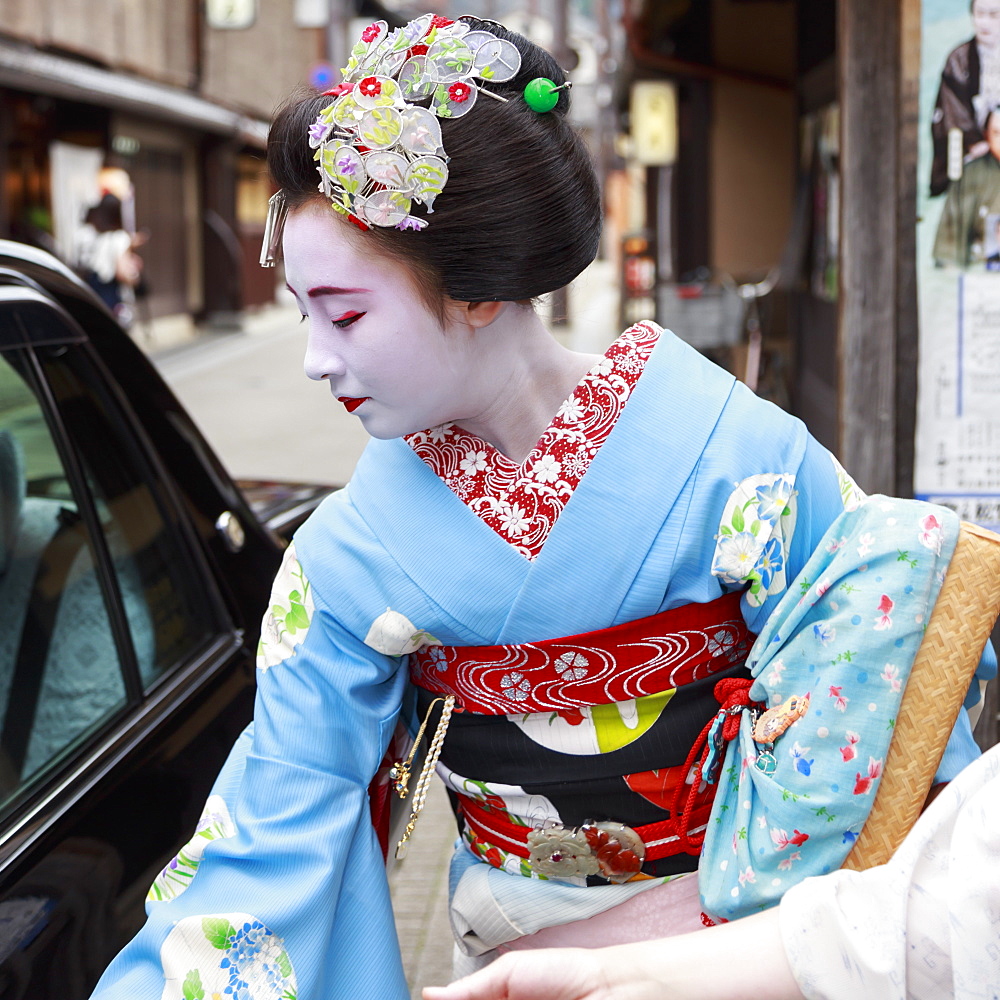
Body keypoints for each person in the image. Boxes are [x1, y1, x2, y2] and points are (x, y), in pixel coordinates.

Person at [89, 15, 996, 1000]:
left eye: (346, 313)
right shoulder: (348, 556)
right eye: (305, 313)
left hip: (751, 944)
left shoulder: (742, 460)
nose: (316, 357)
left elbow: (890, 688)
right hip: (508, 949)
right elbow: (276, 820)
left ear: (482, 288)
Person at [423, 738, 1000, 1000]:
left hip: (730, 895)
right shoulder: (770, 490)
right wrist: (604, 980)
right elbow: (910, 925)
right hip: (535, 919)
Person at [929, 0, 1000, 197]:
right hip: (975, 152)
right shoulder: (959, 58)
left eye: (993, 15)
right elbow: (953, 108)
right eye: (980, 14)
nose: (985, 22)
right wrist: (975, 141)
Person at [933, 108, 1000, 267]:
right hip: (981, 277)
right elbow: (949, 244)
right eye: (997, 133)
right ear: (986, 135)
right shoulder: (971, 174)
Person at [75, 190, 145, 325]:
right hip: (109, 296)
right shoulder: (119, 238)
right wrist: (135, 274)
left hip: (87, 293)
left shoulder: (87, 235)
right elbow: (122, 273)